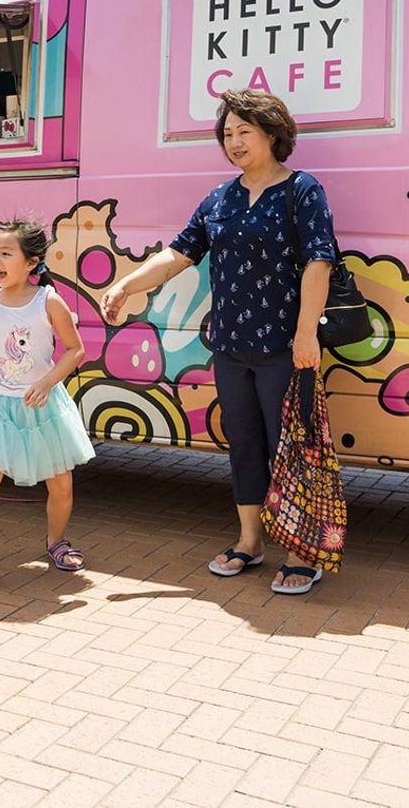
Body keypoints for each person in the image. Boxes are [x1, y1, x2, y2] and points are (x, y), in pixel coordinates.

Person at [99, 89, 336, 596]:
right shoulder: (219, 199)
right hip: (230, 345)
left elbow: (319, 261)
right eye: (227, 134)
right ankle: (250, 541)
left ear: (273, 133)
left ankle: (301, 550)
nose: (233, 142)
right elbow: (179, 254)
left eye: (243, 132)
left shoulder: (302, 190)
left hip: (285, 345)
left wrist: (306, 332)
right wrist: (125, 284)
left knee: (292, 449)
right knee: (245, 445)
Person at [0, 219, 94, 591]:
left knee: (60, 484)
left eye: (6, 253)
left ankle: (55, 541)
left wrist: (46, 382)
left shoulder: (48, 301)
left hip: (40, 405)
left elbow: (76, 350)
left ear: (31, 263)